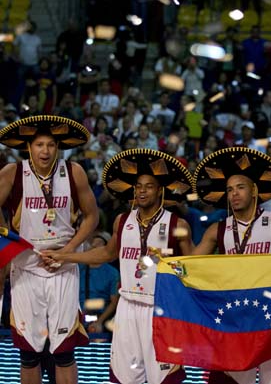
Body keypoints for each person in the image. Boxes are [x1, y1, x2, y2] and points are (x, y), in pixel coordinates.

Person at [44, 148, 196, 384]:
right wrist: (65, 256)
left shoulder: (179, 224)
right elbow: (106, 253)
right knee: (124, 378)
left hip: (161, 307)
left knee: (165, 378)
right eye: (138, 186)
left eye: (148, 186)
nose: (142, 191)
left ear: (160, 190)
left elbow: (193, 269)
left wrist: (173, 267)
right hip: (127, 306)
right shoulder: (122, 221)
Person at [192, 146, 271, 384]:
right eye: (229, 190)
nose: (234, 194)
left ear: (254, 190)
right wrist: (166, 265)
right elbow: (191, 267)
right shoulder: (216, 230)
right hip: (234, 319)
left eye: (240, 187)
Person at [0, 116, 98, 384]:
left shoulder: (74, 171)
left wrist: (68, 251)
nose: (45, 151)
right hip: (25, 269)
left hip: (63, 268)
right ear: (28, 147)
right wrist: (7, 239)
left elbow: (92, 217)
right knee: (29, 354)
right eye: (39, 144)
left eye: (51, 145)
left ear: (59, 147)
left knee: (64, 352)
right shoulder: (12, 172)